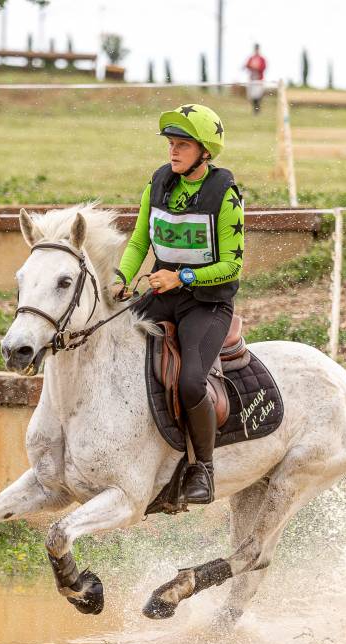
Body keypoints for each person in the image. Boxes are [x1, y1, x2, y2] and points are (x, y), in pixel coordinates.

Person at [111, 104, 244, 504]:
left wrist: (181, 276)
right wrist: (122, 276)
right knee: (111, 342)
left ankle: (202, 467)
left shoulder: (225, 195)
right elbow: (139, 242)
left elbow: (231, 266)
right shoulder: (158, 184)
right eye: (171, 144)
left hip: (206, 304)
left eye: (182, 145)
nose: (173, 152)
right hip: (161, 293)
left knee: (190, 382)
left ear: (205, 151)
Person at [244, 44, 267, 114]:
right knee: (252, 95)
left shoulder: (262, 59)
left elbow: (263, 67)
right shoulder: (251, 58)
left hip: (259, 79)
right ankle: (255, 109)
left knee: (258, 95)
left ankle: (257, 109)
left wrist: (256, 68)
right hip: (252, 79)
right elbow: (247, 65)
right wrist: (251, 66)